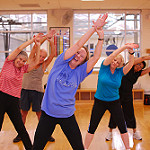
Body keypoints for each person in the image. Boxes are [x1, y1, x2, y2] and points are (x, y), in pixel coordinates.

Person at [32, 13, 108, 150]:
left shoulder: (80, 72)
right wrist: (93, 28)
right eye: (77, 52)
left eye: (82, 56)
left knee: (78, 147)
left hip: (67, 115)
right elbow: (79, 43)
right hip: (48, 114)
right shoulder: (61, 62)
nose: (78, 55)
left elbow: (96, 57)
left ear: (83, 62)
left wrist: (101, 37)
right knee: (37, 147)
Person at [84, 43, 139, 150]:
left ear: (119, 64)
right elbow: (112, 55)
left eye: (118, 62)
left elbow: (131, 63)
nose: (115, 63)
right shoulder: (104, 67)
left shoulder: (120, 72)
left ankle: (128, 148)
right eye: (114, 60)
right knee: (92, 126)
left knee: (122, 126)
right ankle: (85, 148)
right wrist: (124, 47)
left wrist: (131, 52)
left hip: (114, 102)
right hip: (100, 101)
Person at [13, 30, 56, 143]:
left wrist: (50, 40)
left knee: (40, 114)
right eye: (40, 55)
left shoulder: (44, 64)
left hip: (37, 91)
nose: (41, 58)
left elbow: (53, 54)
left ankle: (45, 134)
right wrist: (45, 37)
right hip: (25, 90)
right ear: (37, 54)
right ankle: (20, 134)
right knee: (23, 113)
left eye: (43, 57)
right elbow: (34, 48)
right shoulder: (31, 59)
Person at [0, 34, 42, 150]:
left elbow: (36, 61)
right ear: (15, 58)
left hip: (14, 101)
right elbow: (19, 49)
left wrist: (37, 45)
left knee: (20, 128)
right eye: (20, 59)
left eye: (24, 61)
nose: (21, 62)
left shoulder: (23, 69)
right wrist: (33, 40)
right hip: (1, 98)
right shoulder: (8, 63)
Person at [105, 55, 150, 141]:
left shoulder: (138, 74)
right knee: (115, 113)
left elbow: (148, 69)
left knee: (130, 113)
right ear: (135, 63)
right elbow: (143, 58)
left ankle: (134, 132)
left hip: (128, 95)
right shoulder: (128, 66)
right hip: (117, 93)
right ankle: (110, 132)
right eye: (138, 64)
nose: (139, 67)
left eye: (141, 67)